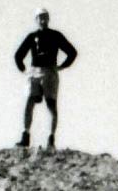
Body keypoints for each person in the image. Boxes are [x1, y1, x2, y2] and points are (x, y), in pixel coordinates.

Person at [12, 11, 76, 151]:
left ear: (49, 19)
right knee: (30, 101)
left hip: (50, 71)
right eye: (40, 17)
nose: (43, 20)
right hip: (35, 72)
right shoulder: (32, 36)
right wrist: (25, 70)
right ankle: (25, 135)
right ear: (36, 19)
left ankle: (51, 138)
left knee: (51, 104)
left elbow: (72, 52)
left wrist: (61, 67)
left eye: (45, 17)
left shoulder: (55, 35)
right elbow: (18, 55)